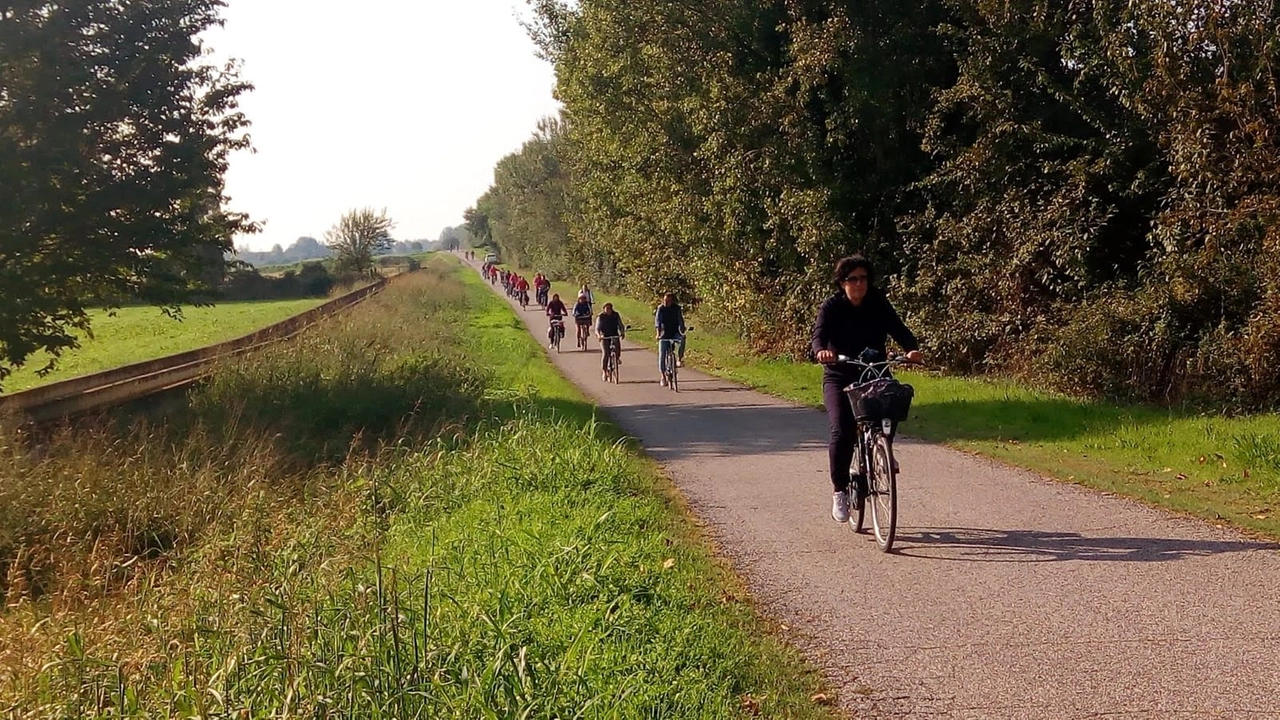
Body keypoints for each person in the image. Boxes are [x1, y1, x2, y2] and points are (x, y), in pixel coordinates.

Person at [812, 255, 923, 524]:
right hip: (840, 375)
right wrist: (822, 352)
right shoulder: (832, 307)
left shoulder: (877, 302)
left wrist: (911, 349)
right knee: (842, 431)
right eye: (853, 279)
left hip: (875, 371)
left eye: (863, 278)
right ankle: (840, 490)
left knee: (892, 405)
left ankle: (883, 450)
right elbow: (818, 336)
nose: (859, 284)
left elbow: (898, 328)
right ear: (842, 282)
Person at [654, 293, 686, 385]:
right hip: (664, 334)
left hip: (675, 332)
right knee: (662, 355)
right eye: (664, 300)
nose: (665, 302)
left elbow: (680, 320)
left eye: (668, 301)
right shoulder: (661, 309)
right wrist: (658, 334)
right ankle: (663, 376)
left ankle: (679, 359)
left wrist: (682, 330)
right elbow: (658, 322)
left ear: (672, 301)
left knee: (682, 340)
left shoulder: (677, 308)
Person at [595, 302, 625, 379]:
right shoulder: (600, 316)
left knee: (618, 348)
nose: (608, 310)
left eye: (609, 308)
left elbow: (620, 324)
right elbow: (597, 328)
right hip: (604, 336)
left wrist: (622, 332)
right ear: (604, 309)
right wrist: (599, 335)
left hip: (614, 334)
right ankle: (604, 371)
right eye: (606, 308)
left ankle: (617, 358)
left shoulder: (616, 315)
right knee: (605, 353)